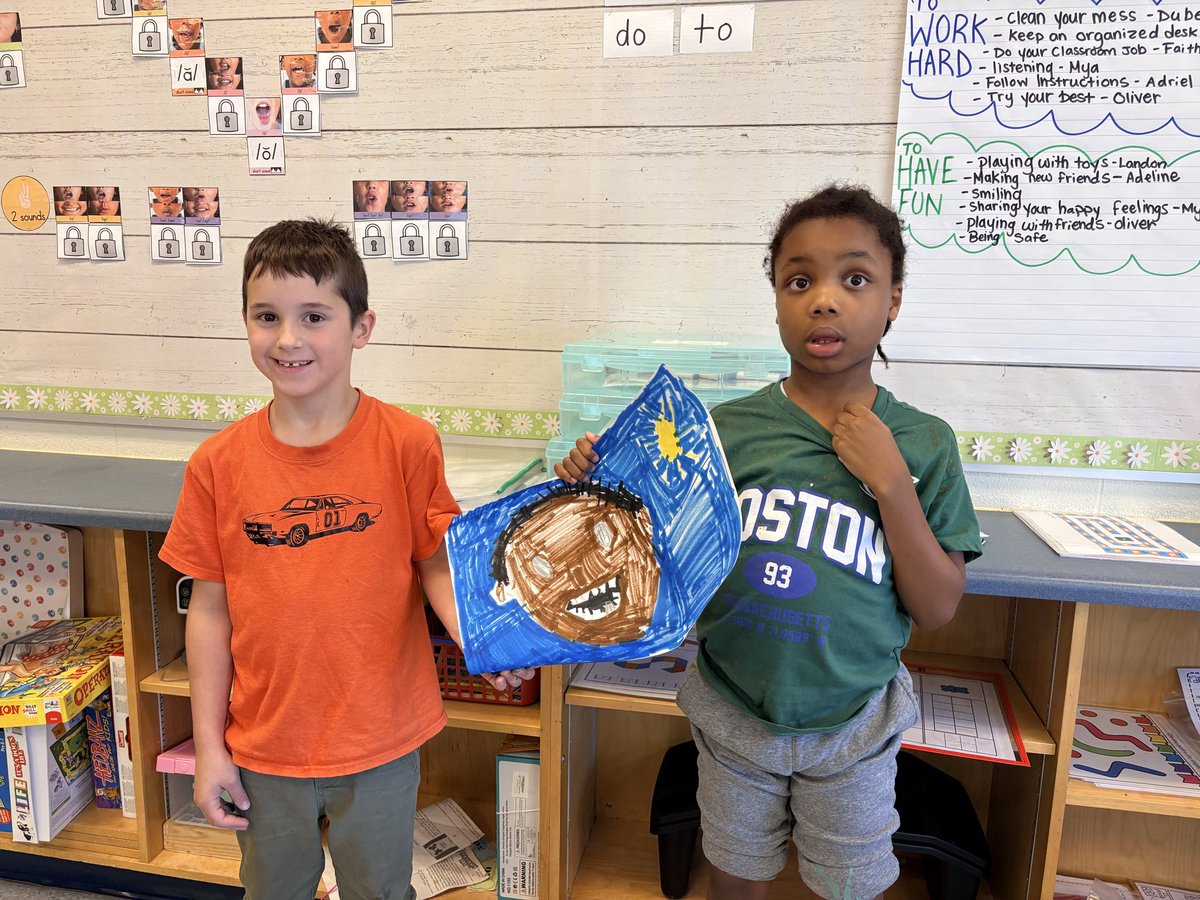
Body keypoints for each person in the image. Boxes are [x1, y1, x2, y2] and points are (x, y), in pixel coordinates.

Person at [556, 184, 982, 900]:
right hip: (733, 709)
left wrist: (891, 485)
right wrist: (594, 481)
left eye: (854, 278)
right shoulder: (724, 431)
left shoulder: (923, 443)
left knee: (849, 884)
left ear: (894, 301)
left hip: (854, 722)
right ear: (778, 300)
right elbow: (653, 547)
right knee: (735, 870)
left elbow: (937, 606)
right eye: (798, 280)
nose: (824, 299)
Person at [158, 218, 532, 900]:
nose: (288, 338)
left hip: (382, 738)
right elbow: (209, 611)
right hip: (265, 741)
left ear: (361, 327)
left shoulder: (409, 443)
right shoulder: (216, 464)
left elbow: (436, 565)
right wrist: (209, 746)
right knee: (274, 890)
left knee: (379, 891)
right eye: (266, 316)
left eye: (314, 316)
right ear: (245, 322)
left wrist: (485, 641)